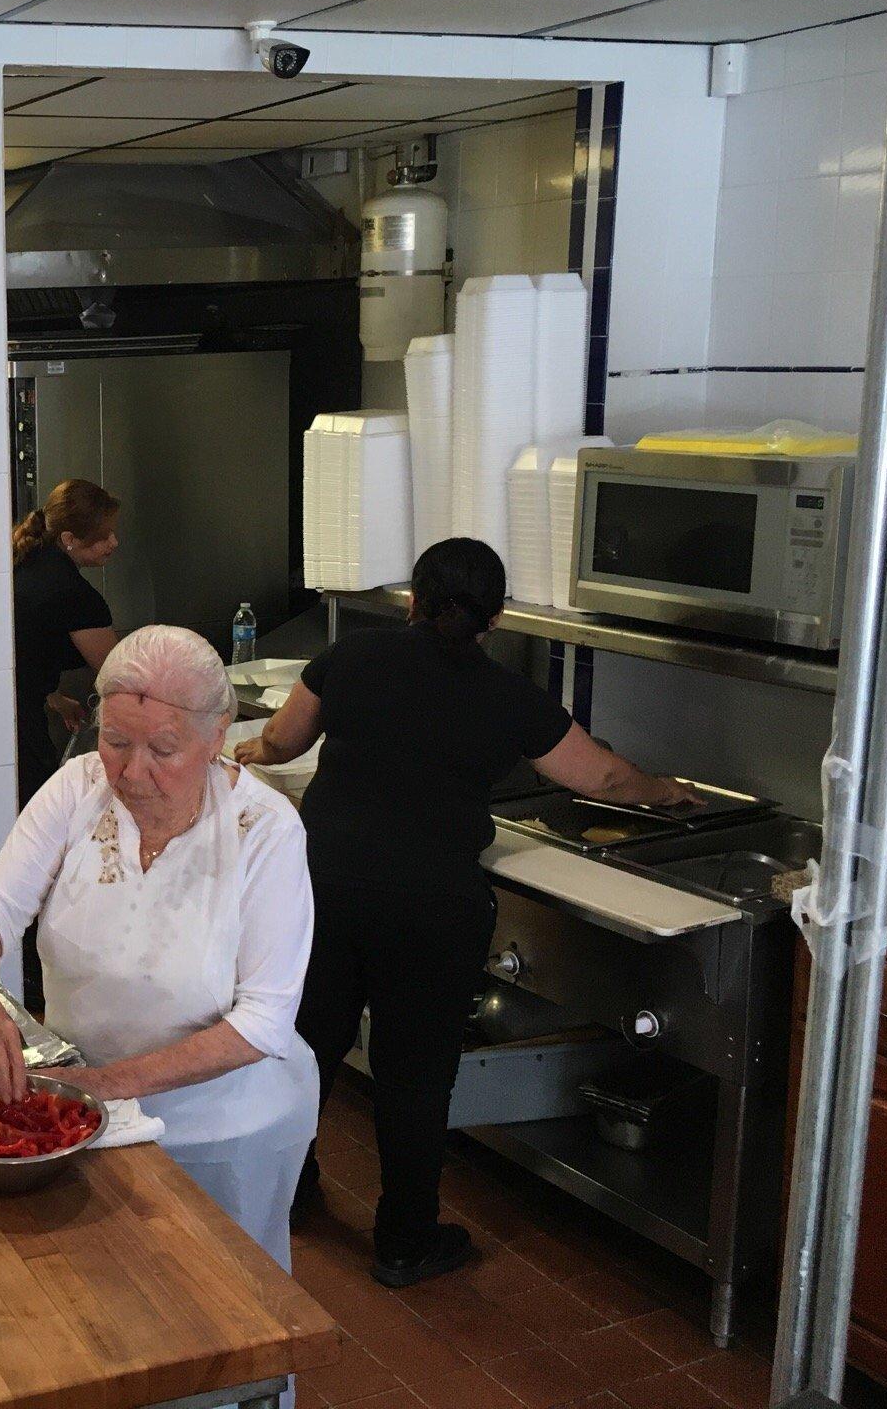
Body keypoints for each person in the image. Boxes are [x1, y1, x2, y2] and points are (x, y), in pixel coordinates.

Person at [235, 538, 697, 1289]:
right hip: (430, 908)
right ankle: (405, 1243)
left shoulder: (350, 658)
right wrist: (664, 790)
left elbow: (286, 739)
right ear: (499, 617)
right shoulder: (507, 697)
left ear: (414, 599)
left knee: (306, 1048)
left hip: (325, 888)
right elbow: (605, 776)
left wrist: (253, 747)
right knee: (414, 1079)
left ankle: (285, 1193)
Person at [0, 625, 320, 1278]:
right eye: (116, 741)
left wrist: (99, 1087)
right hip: (88, 1113)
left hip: (226, 1125)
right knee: (104, 1296)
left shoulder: (265, 830)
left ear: (218, 735)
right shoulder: (77, 789)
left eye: (163, 749)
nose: (131, 770)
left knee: (228, 1302)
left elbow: (262, 1023)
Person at [11, 478, 122, 807]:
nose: (114, 542)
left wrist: (55, 698)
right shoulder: (72, 594)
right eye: (103, 537)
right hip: (20, 723)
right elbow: (121, 674)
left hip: (5, 708)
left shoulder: (27, 560)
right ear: (69, 539)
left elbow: (25, 647)